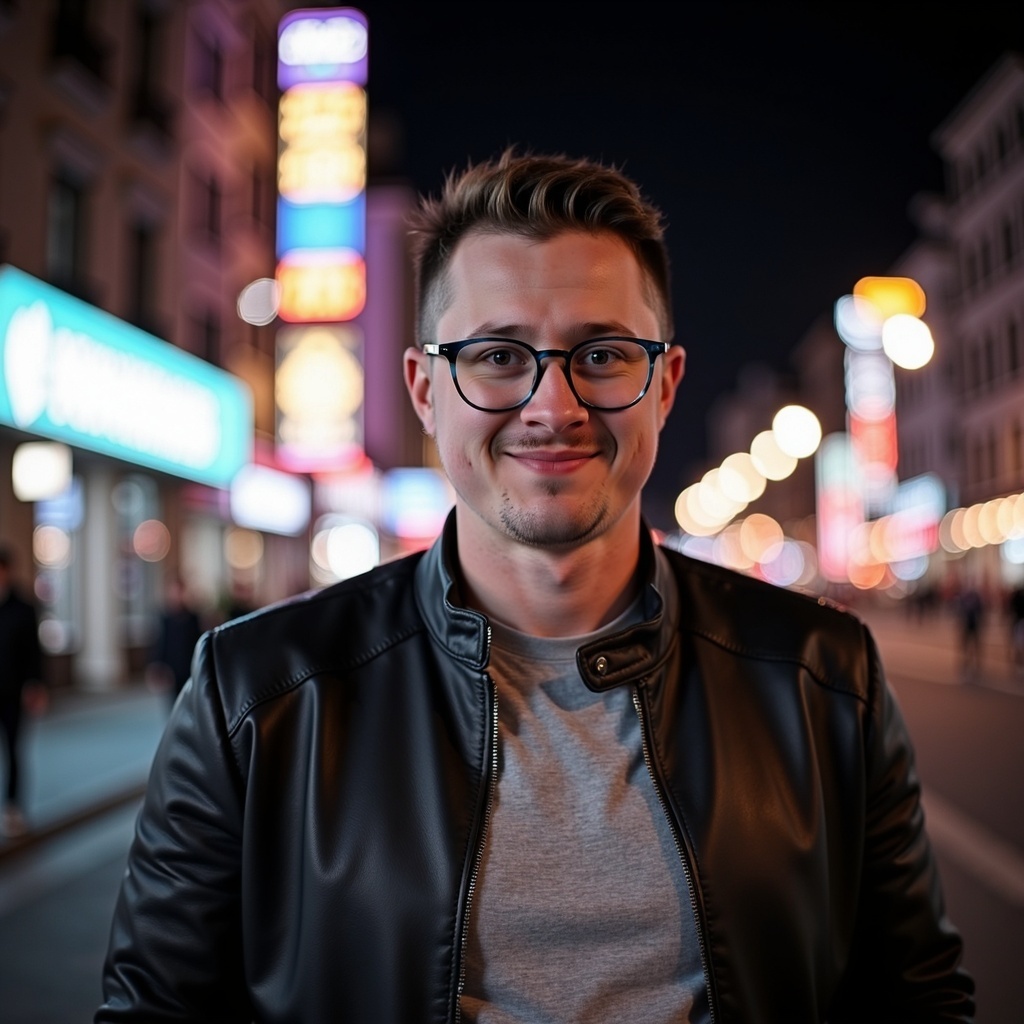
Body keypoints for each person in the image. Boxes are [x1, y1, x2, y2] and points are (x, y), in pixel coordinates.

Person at [97, 150, 974, 1023]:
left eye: (602, 355)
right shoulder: (254, 693)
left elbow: (916, 1000)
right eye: (497, 356)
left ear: (664, 385)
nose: (553, 407)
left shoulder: (825, 676)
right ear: (425, 389)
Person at [0, 544, 44, 839]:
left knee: (14, 749)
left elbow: (33, 654)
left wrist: (36, 685)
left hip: (13, 692)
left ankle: (13, 807)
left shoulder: (24, 608)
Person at [145, 576, 203, 709]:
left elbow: (197, 642)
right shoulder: (165, 618)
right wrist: (156, 666)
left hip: (189, 667)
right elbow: (160, 643)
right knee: (173, 705)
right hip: (172, 669)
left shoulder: (193, 617)